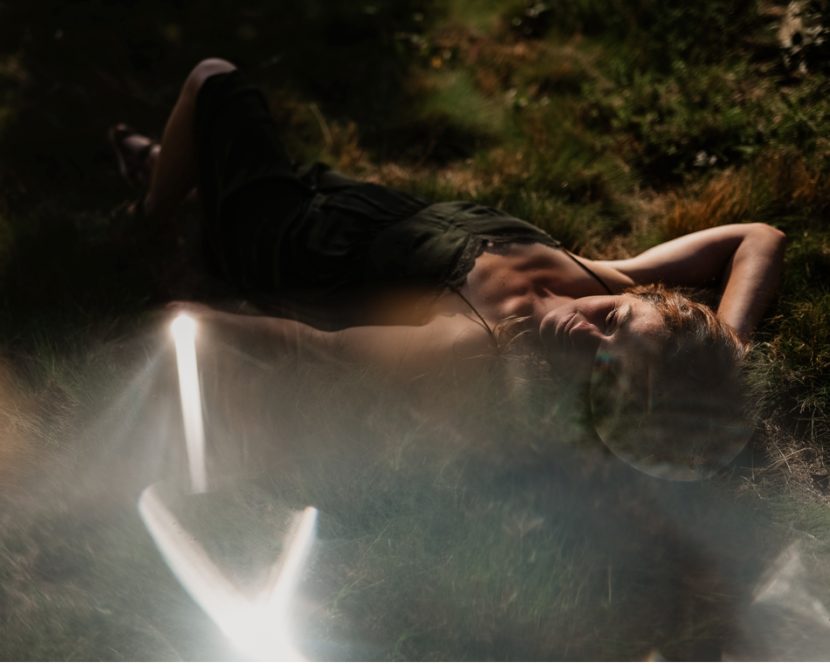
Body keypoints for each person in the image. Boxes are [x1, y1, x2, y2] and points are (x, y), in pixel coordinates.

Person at [111, 59, 786, 478]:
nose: (588, 336)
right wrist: (731, 336)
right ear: (649, 294)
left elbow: (312, 347)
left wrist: (191, 319)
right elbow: (758, 237)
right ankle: (175, 169)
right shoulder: (608, 275)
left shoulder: (471, 337)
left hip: (285, 239)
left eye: (605, 371)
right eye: (614, 324)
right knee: (225, 152)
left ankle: (148, 214)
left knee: (212, 81)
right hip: (355, 203)